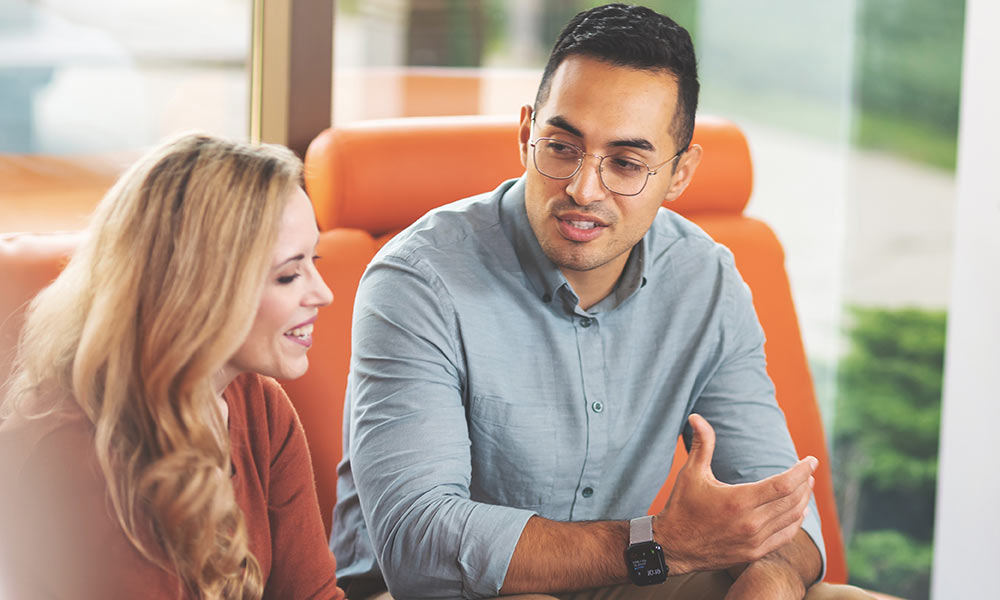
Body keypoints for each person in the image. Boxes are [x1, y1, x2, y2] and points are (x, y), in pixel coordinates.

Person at [332, 4, 874, 600]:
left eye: (626, 163)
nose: (584, 190)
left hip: (619, 578)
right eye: (562, 147)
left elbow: (779, 509)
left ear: (681, 173)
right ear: (524, 133)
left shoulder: (704, 278)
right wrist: (661, 546)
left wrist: (767, 581)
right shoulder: (418, 279)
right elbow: (419, 542)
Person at [0, 133, 345, 600]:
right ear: (202, 289)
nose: (322, 293)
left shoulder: (261, 408)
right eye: (289, 274)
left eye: (314, 260)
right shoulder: (76, 453)